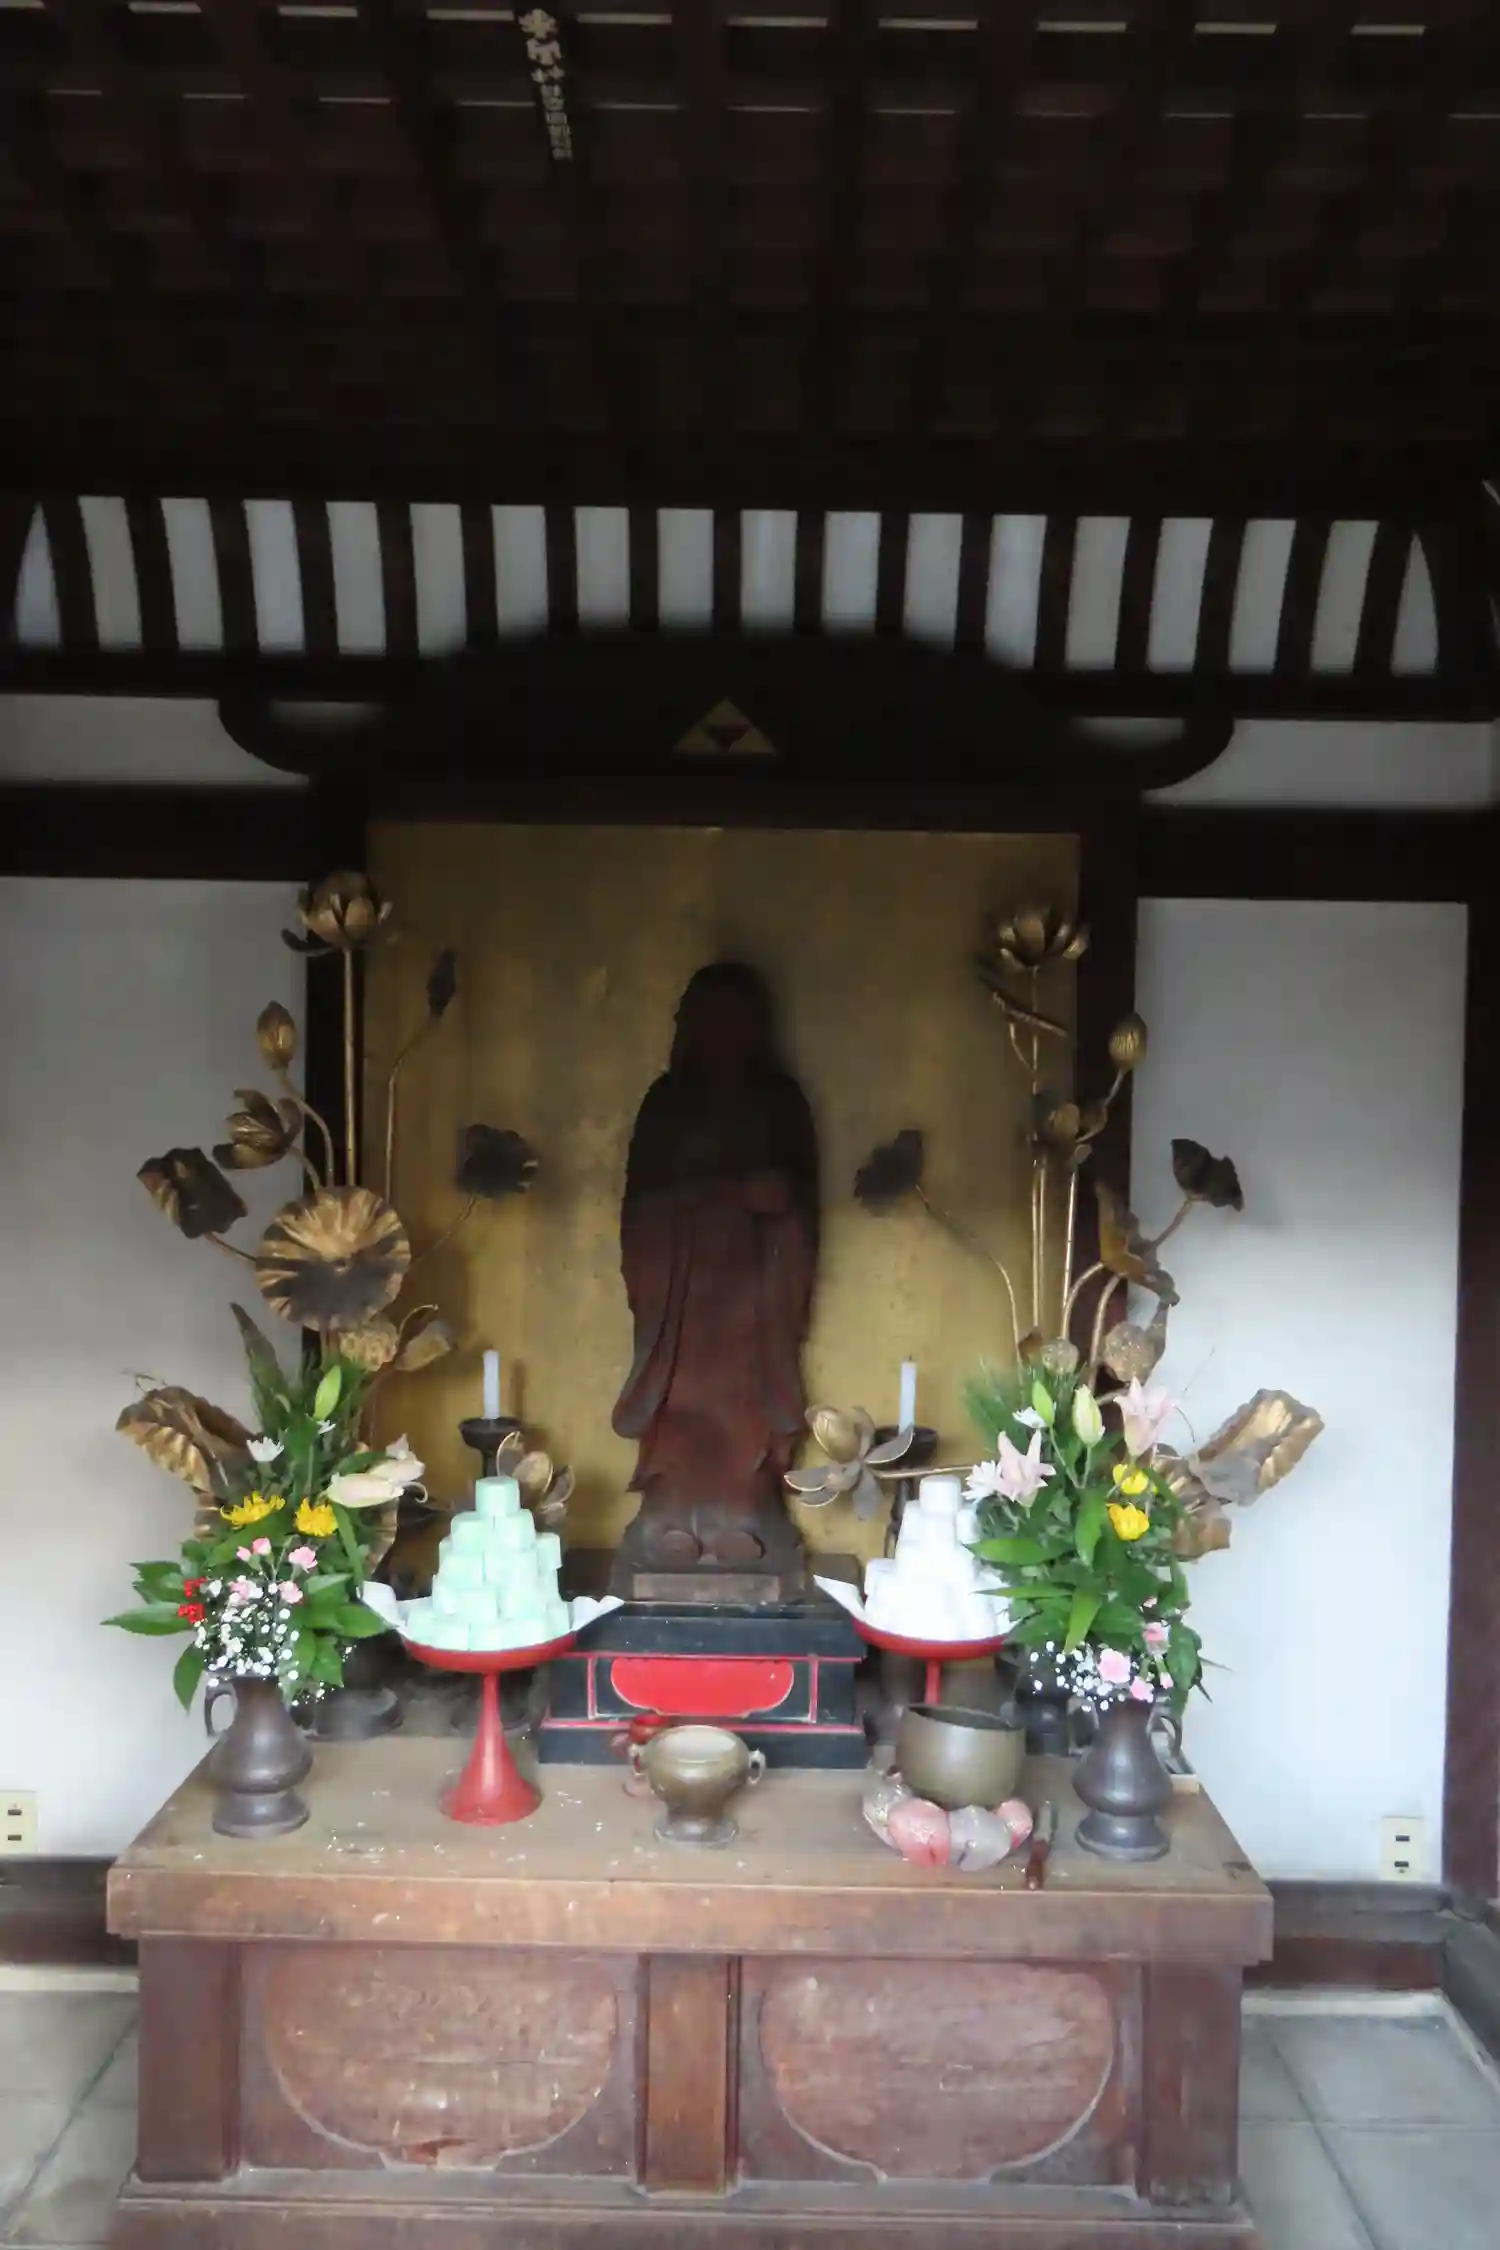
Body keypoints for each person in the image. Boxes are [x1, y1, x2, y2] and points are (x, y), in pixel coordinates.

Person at [610, 962, 818, 1587]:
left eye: (736, 1020)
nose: (723, 1034)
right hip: (678, 1296)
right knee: (678, 1398)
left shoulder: (778, 1102)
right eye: (711, 1019)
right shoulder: (666, 1104)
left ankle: (746, 1514)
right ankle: (670, 1513)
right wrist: (723, 1194)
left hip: (754, 1296)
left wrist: (769, 1203)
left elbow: (799, 1202)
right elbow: (638, 1208)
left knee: (745, 1402)